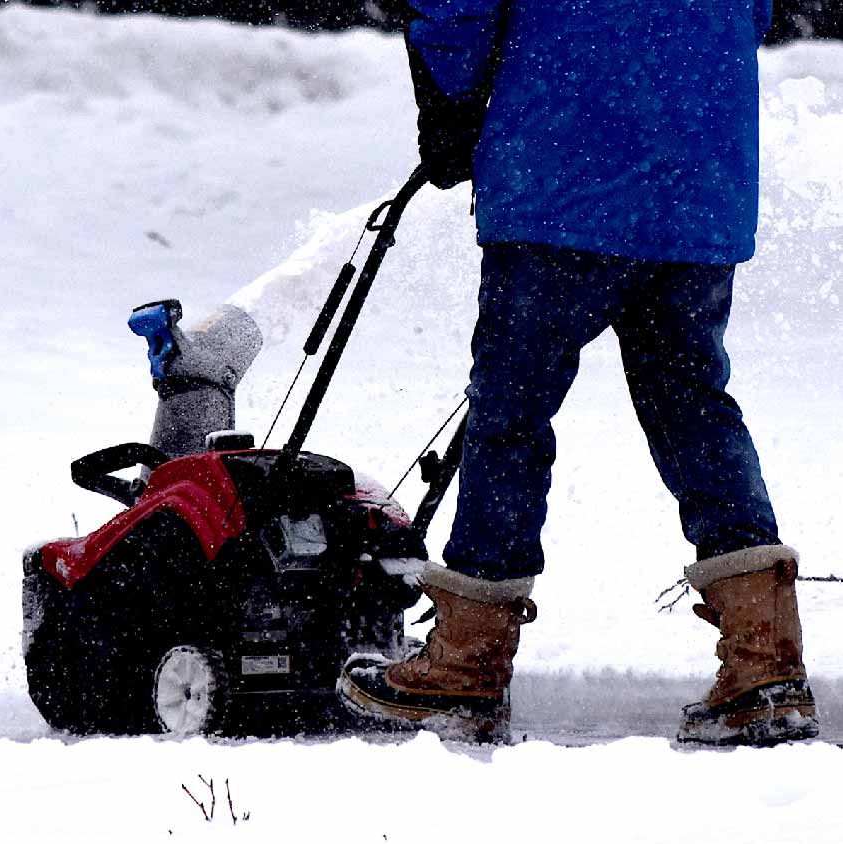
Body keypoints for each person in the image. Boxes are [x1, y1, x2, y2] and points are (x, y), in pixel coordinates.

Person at [337, 0, 819, 746]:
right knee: (694, 405)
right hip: (696, 179)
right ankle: (765, 664)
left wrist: (452, 106)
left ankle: (467, 662)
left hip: (562, 170)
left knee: (510, 416)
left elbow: (455, 11)